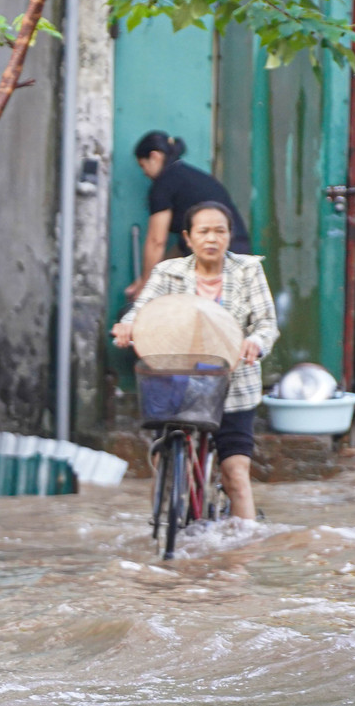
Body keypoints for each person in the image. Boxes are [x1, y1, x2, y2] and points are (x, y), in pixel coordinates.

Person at [111, 201, 279, 520]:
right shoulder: (168, 272)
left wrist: (255, 342)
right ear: (188, 238)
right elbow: (144, 309)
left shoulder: (247, 270)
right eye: (203, 232)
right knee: (165, 465)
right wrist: (129, 325)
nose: (211, 239)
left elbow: (266, 323)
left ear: (230, 236)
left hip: (233, 387)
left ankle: (243, 555)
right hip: (178, 384)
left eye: (219, 231)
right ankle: (161, 535)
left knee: (236, 475)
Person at [126, 131, 251, 301]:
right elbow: (182, 246)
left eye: (143, 166)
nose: (144, 173)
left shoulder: (164, 184)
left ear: (154, 157)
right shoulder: (189, 177)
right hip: (237, 254)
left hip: (216, 259)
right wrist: (155, 276)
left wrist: (145, 287)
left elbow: (157, 241)